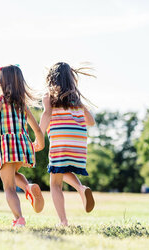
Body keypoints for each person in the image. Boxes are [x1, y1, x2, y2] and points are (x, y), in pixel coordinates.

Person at [0, 65, 45, 227]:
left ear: (1, 82)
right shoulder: (22, 104)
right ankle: (28, 187)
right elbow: (37, 128)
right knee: (13, 173)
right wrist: (40, 142)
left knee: (9, 187)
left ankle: (19, 218)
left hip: (6, 144)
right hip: (22, 144)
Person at [39, 62, 96, 226]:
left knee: (55, 184)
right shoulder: (77, 102)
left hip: (60, 141)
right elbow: (91, 121)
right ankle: (81, 189)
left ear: (52, 79)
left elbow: (46, 114)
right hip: (78, 143)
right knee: (62, 170)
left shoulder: (49, 97)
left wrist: (39, 135)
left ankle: (63, 221)